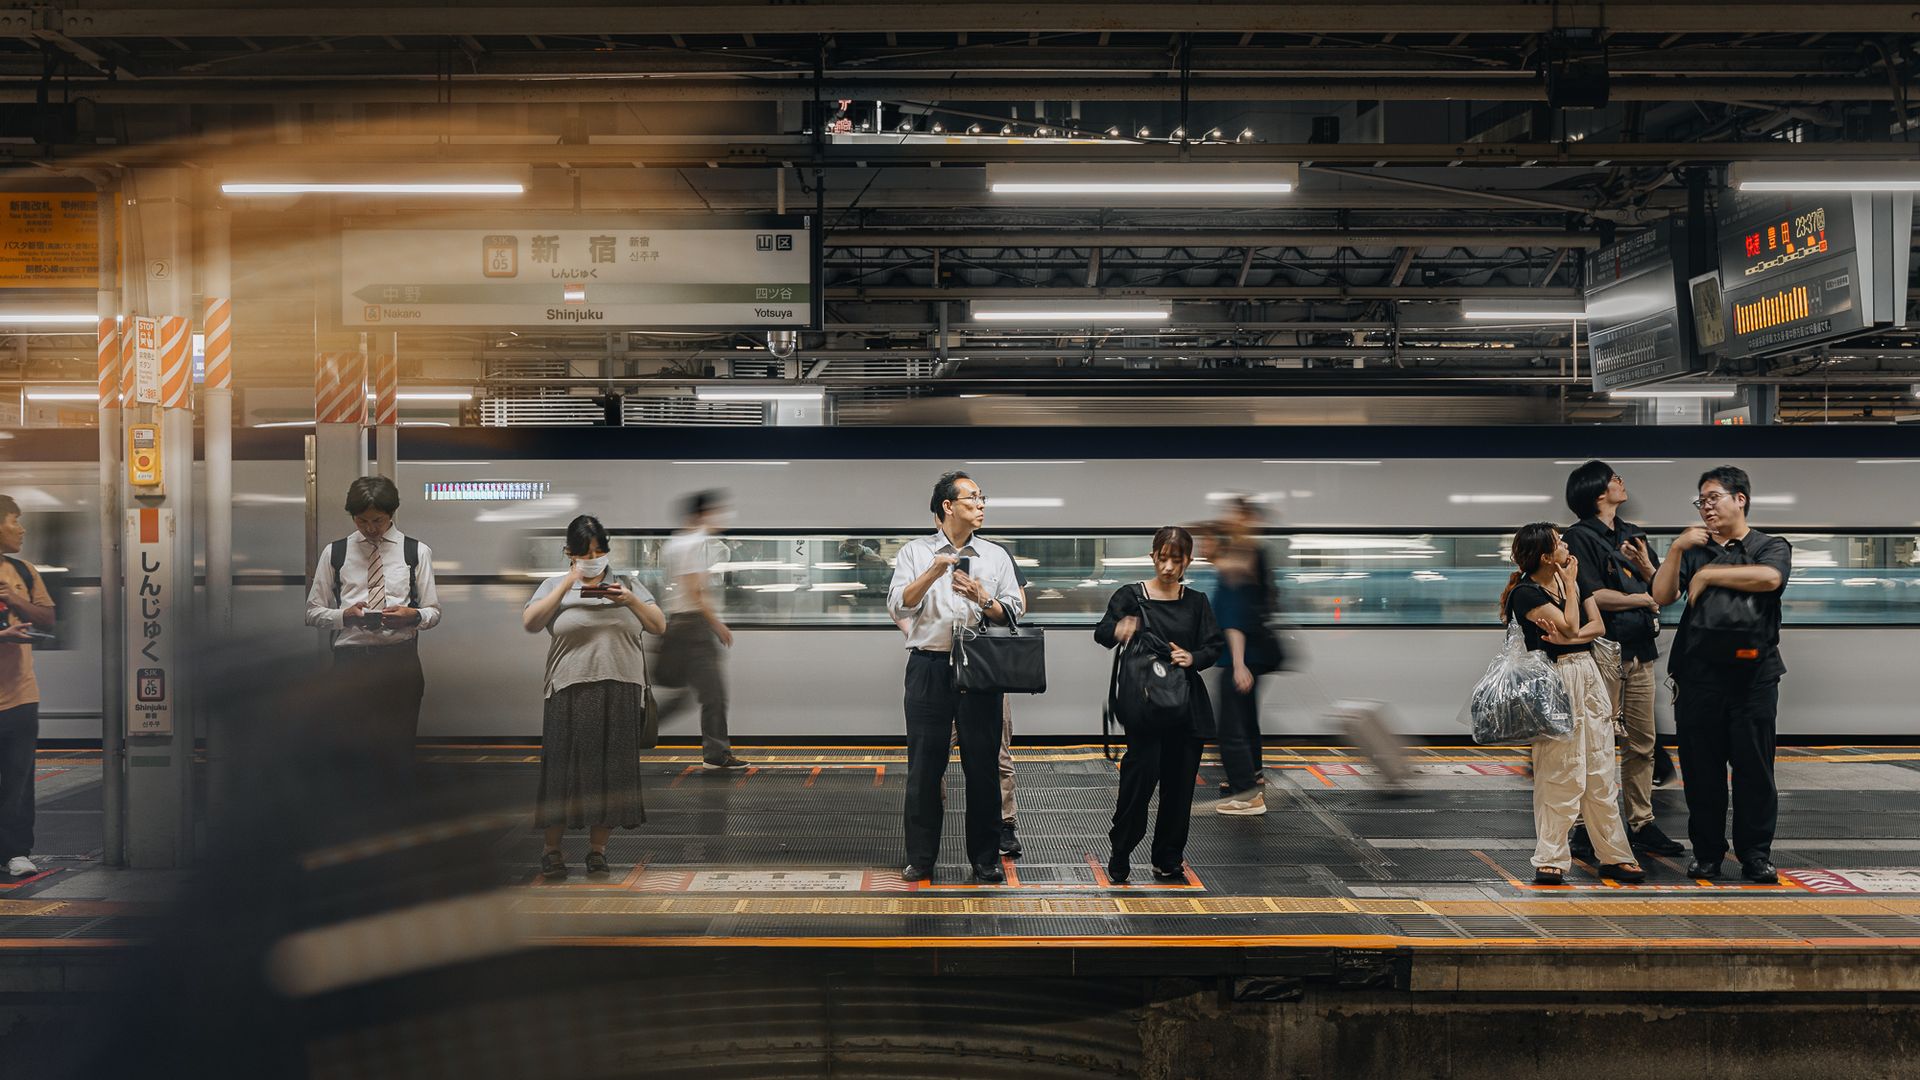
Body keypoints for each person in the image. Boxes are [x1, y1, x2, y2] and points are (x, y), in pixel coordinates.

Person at [1651, 466, 1792, 884]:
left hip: (1755, 680)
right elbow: (1661, 595)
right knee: (1702, 773)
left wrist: (1709, 574)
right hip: (1699, 678)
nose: (1706, 507)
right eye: (1701, 501)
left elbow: (1771, 579)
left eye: (1713, 497)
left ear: (1740, 499)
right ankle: (1708, 853)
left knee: (1755, 772)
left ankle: (1755, 855)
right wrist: (1677, 549)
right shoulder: (1693, 547)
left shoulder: (1769, 546)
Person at [886, 471, 1024, 883]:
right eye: (973, 499)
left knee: (982, 768)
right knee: (924, 768)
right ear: (948, 506)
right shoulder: (915, 551)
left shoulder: (996, 555)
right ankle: (921, 857)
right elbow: (899, 603)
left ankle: (985, 859)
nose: (981, 506)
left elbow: (1016, 608)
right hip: (929, 666)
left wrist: (983, 598)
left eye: (983, 499)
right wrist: (934, 571)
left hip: (980, 666)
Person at [523, 514, 667, 880]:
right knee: (563, 772)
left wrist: (631, 599)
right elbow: (531, 622)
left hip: (621, 688)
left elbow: (658, 625)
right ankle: (552, 850)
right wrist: (569, 582)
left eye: (600, 550)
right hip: (570, 688)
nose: (595, 558)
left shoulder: (630, 584)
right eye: (586, 552)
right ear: (569, 553)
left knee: (610, 774)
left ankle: (597, 851)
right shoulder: (553, 584)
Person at [1502, 522, 1645, 886]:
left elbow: (1593, 628)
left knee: (1599, 768)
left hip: (1588, 673)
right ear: (1547, 557)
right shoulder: (1526, 593)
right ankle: (1551, 857)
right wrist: (1569, 600)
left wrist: (1570, 631)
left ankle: (1614, 855)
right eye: (1559, 543)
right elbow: (1568, 622)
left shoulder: (1573, 582)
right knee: (1560, 770)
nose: (1567, 546)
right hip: (1554, 680)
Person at [1561, 460, 1685, 861]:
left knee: (1643, 744)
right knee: (1595, 744)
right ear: (1597, 491)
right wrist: (1645, 598)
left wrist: (1650, 575)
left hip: (1641, 652)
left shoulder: (1633, 536)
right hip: (1601, 653)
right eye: (1614, 478)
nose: (1621, 482)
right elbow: (1592, 595)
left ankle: (1641, 822)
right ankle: (1585, 827)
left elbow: (1665, 587)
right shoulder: (1579, 538)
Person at [1095, 526, 1224, 883]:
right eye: (1162, 558)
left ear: (1188, 561)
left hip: (1187, 708)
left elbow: (1214, 647)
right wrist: (1118, 629)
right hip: (1146, 707)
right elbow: (1102, 633)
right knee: (1137, 787)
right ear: (1152, 556)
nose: (1168, 567)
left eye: (1176, 560)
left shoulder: (1196, 601)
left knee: (1179, 790)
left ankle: (1168, 858)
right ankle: (1121, 852)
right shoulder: (1130, 596)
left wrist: (1192, 656)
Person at [305, 476, 441, 777]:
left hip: (399, 661)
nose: (370, 528)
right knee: (350, 753)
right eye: (361, 520)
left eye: (377, 520)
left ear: (391, 514)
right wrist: (346, 616)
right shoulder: (335, 553)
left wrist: (412, 616)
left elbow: (433, 611)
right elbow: (312, 613)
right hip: (350, 663)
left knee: (398, 750)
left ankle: (395, 816)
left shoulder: (416, 552)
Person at [656, 490, 746, 770]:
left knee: (685, 696)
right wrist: (716, 623)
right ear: (701, 515)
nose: (722, 516)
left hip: (679, 624)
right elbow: (694, 589)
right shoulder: (694, 543)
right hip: (694, 627)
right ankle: (717, 755)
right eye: (716, 511)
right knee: (714, 694)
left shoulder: (676, 542)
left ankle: (624, 738)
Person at [1211, 498, 1282, 816]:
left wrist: (1238, 663)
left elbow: (1234, 619)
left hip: (1240, 656)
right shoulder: (1249, 557)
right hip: (1250, 655)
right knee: (1245, 719)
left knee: (1230, 725)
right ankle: (1252, 775)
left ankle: (1246, 794)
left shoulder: (1242, 561)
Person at [0, 496, 54, 877]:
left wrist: (12, 598)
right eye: (14, 520)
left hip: (20, 694)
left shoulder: (24, 569)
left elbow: (48, 619)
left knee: (18, 778)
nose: (21, 528)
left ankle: (16, 852)